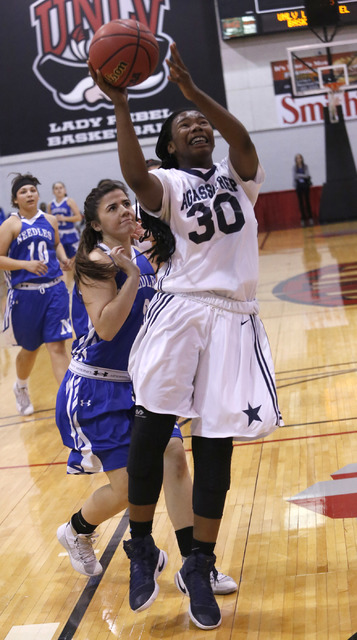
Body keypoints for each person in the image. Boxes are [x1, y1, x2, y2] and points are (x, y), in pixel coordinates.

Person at [89, 43, 283, 631]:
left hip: (234, 319)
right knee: (151, 435)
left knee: (216, 446)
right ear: (170, 147)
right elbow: (133, 175)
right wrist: (122, 105)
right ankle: (142, 546)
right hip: (182, 314)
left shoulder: (237, 176)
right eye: (185, 126)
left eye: (202, 124)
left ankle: (198, 562)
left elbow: (244, 142)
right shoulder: (167, 185)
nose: (197, 128)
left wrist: (196, 96)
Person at [55, 179, 237, 597]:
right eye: (112, 208)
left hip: (142, 382)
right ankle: (76, 529)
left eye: (125, 203)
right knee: (127, 488)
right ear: (96, 224)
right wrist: (134, 275)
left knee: (174, 457)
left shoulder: (145, 249)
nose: (123, 210)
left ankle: (197, 564)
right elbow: (107, 326)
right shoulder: (95, 261)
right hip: (97, 389)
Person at [0, 173, 72, 416]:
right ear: (16, 199)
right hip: (25, 295)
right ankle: (20, 386)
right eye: (23, 191)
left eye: (32, 190)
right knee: (30, 348)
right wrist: (25, 265)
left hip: (54, 290)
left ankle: (68, 403)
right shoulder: (10, 224)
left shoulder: (50, 220)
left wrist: (63, 259)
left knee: (57, 346)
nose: (29, 194)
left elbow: (56, 244)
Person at [48, 181, 82, 287]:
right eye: (56, 188)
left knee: (74, 261)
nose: (59, 190)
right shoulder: (51, 204)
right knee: (61, 263)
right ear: (53, 191)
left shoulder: (69, 201)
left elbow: (78, 217)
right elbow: (49, 220)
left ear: (65, 190)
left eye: (61, 187)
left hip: (70, 234)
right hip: (58, 235)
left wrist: (65, 218)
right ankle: (65, 286)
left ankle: (75, 284)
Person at [293, 154, 314, 227]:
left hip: (305, 185)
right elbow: (295, 177)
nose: (299, 159)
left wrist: (300, 175)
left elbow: (307, 175)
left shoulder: (305, 167)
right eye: (297, 158)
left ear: (302, 159)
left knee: (307, 202)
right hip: (299, 186)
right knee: (301, 203)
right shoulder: (295, 168)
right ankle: (303, 219)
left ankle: (310, 218)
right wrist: (300, 176)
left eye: (300, 158)